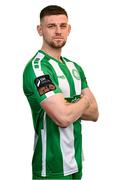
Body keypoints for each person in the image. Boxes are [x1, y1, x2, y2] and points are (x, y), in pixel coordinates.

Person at [23, 5, 99, 180]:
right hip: (51, 167)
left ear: (69, 29)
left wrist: (69, 106)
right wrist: (84, 101)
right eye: (51, 26)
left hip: (76, 160)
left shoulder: (75, 67)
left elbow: (95, 113)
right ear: (39, 30)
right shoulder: (38, 68)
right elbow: (63, 118)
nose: (58, 31)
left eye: (62, 26)